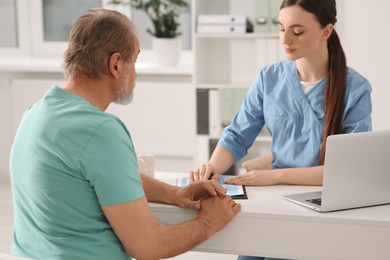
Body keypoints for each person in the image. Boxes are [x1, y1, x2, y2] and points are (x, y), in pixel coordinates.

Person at [9, 8, 241, 260]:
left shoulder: (35, 113)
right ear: (116, 64)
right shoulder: (101, 130)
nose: (137, 72)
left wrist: (175, 194)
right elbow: (148, 246)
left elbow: (105, 177)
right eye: (136, 60)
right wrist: (207, 223)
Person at [190, 0, 372, 258]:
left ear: (326, 31)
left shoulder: (356, 89)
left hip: (323, 204)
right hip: (273, 199)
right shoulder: (269, 78)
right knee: (249, 250)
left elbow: (349, 170)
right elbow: (237, 134)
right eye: (281, 28)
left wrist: (276, 175)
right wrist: (212, 168)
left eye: (297, 31)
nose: (285, 39)